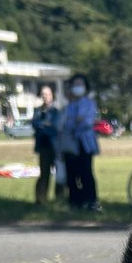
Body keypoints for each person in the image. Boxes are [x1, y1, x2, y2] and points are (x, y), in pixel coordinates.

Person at [59, 73, 100, 211]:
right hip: (70, 143)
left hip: (85, 143)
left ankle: (91, 201)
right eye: (75, 85)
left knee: (86, 173)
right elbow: (66, 124)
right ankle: (75, 202)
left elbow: (88, 122)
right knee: (72, 174)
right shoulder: (68, 106)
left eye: (80, 84)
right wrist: (77, 120)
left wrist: (76, 121)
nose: (78, 87)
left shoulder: (90, 103)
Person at [31, 85, 60, 204]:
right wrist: (45, 125)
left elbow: (55, 127)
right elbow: (34, 124)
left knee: (59, 174)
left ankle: (60, 199)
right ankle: (41, 199)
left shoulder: (56, 112)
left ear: (52, 95)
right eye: (43, 94)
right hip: (43, 147)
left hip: (55, 147)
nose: (45, 96)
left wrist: (43, 126)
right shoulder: (37, 111)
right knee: (44, 174)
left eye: (47, 94)